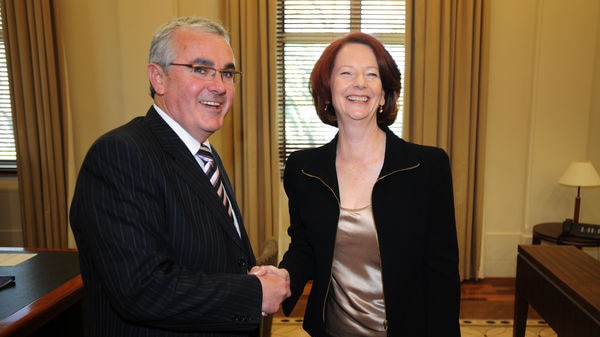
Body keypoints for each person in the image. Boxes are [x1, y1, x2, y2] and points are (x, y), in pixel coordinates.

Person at [69, 16, 290, 337]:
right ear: (158, 78)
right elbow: (141, 289)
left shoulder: (203, 152)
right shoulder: (120, 154)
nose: (218, 85)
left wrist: (251, 276)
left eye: (227, 73)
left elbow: (207, 255)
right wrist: (254, 293)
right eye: (200, 69)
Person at [275, 32, 461, 336]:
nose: (359, 82)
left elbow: (442, 275)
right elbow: (304, 247)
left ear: (385, 93)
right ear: (328, 90)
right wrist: (282, 277)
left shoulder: (428, 167)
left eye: (371, 74)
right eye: (346, 73)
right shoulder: (303, 170)